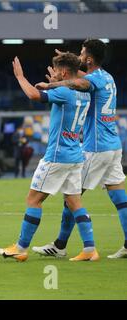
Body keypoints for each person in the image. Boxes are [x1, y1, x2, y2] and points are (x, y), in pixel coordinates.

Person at [0, 53, 99, 262]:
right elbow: (65, 89)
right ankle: (90, 248)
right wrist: (55, 84)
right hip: (75, 156)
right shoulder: (84, 93)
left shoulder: (64, 92)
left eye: (56, 71)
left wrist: (20, 77)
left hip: (57, 156)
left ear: (62, 72)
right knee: (74, 202)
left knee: (33, 199)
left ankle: (21, 247)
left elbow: (34, 95)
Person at [33, 39, 127, 259]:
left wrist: (51, 85)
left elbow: (79, 83)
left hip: (96, 147)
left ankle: (62, 245)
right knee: (120, 198)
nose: (80, 55)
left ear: (90, 59)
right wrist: (71, 62)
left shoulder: (91, 80)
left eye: (82, 53)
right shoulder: (107, 77)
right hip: (114, 145)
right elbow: (82, 76)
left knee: (72, 196)